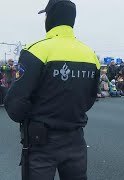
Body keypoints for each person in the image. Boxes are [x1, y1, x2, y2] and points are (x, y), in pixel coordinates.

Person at [4, 1, 100, 179]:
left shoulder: (36, 50)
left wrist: (35, 115)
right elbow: (89, 99)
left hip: (41, 142)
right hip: (76, 138)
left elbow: (14, 104)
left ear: (51, 17)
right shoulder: (90, 54)